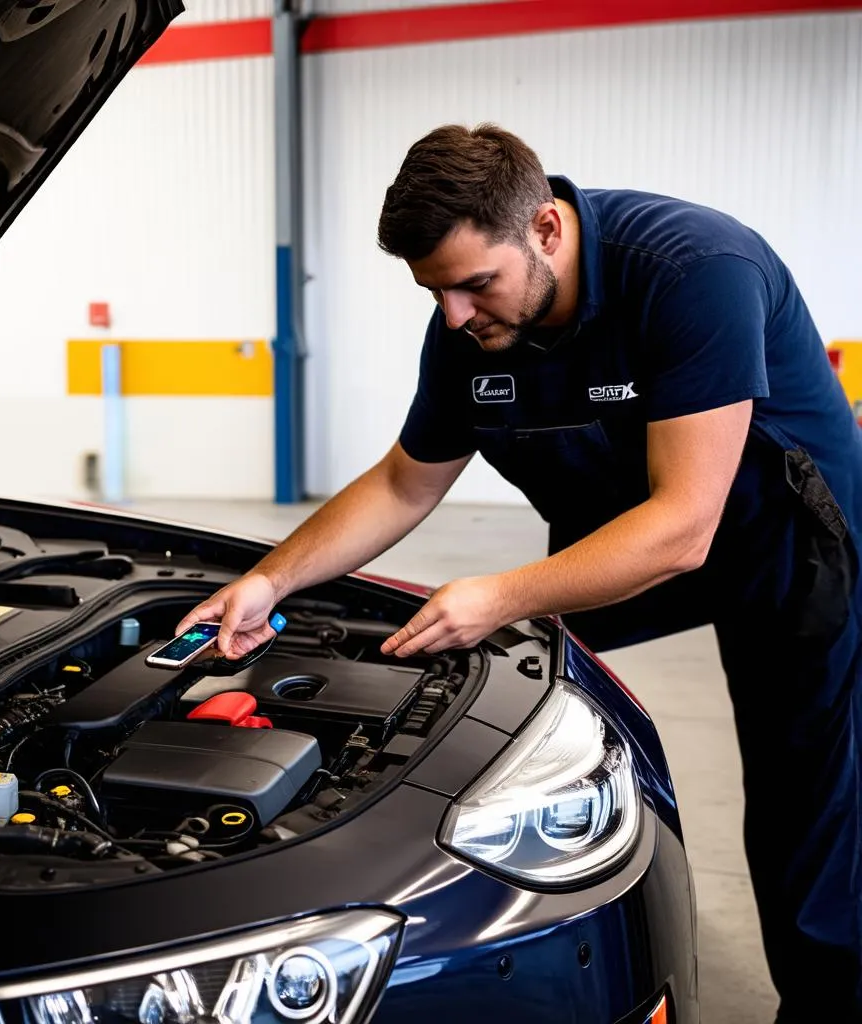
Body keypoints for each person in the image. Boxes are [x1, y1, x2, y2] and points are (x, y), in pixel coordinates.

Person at [175, 123, 862, 1021]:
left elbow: (684, 525)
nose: (455, 317)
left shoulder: (695, 270)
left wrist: (495, 594)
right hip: (629, 525)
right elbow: (400, 482)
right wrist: (271, 581)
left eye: (473, 285)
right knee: (531, 692)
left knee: (805, 788)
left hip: (784, 540)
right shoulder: (469, 326)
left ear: (544, 228)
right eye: (435, 293)